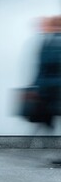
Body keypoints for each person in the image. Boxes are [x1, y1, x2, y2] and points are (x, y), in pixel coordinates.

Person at [30, 16, 61, 165]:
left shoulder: (53, 42)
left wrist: (38, 87)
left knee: (49, 120)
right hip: (53, 91)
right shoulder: (49, 41)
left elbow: (45, 68)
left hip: (54, 91)